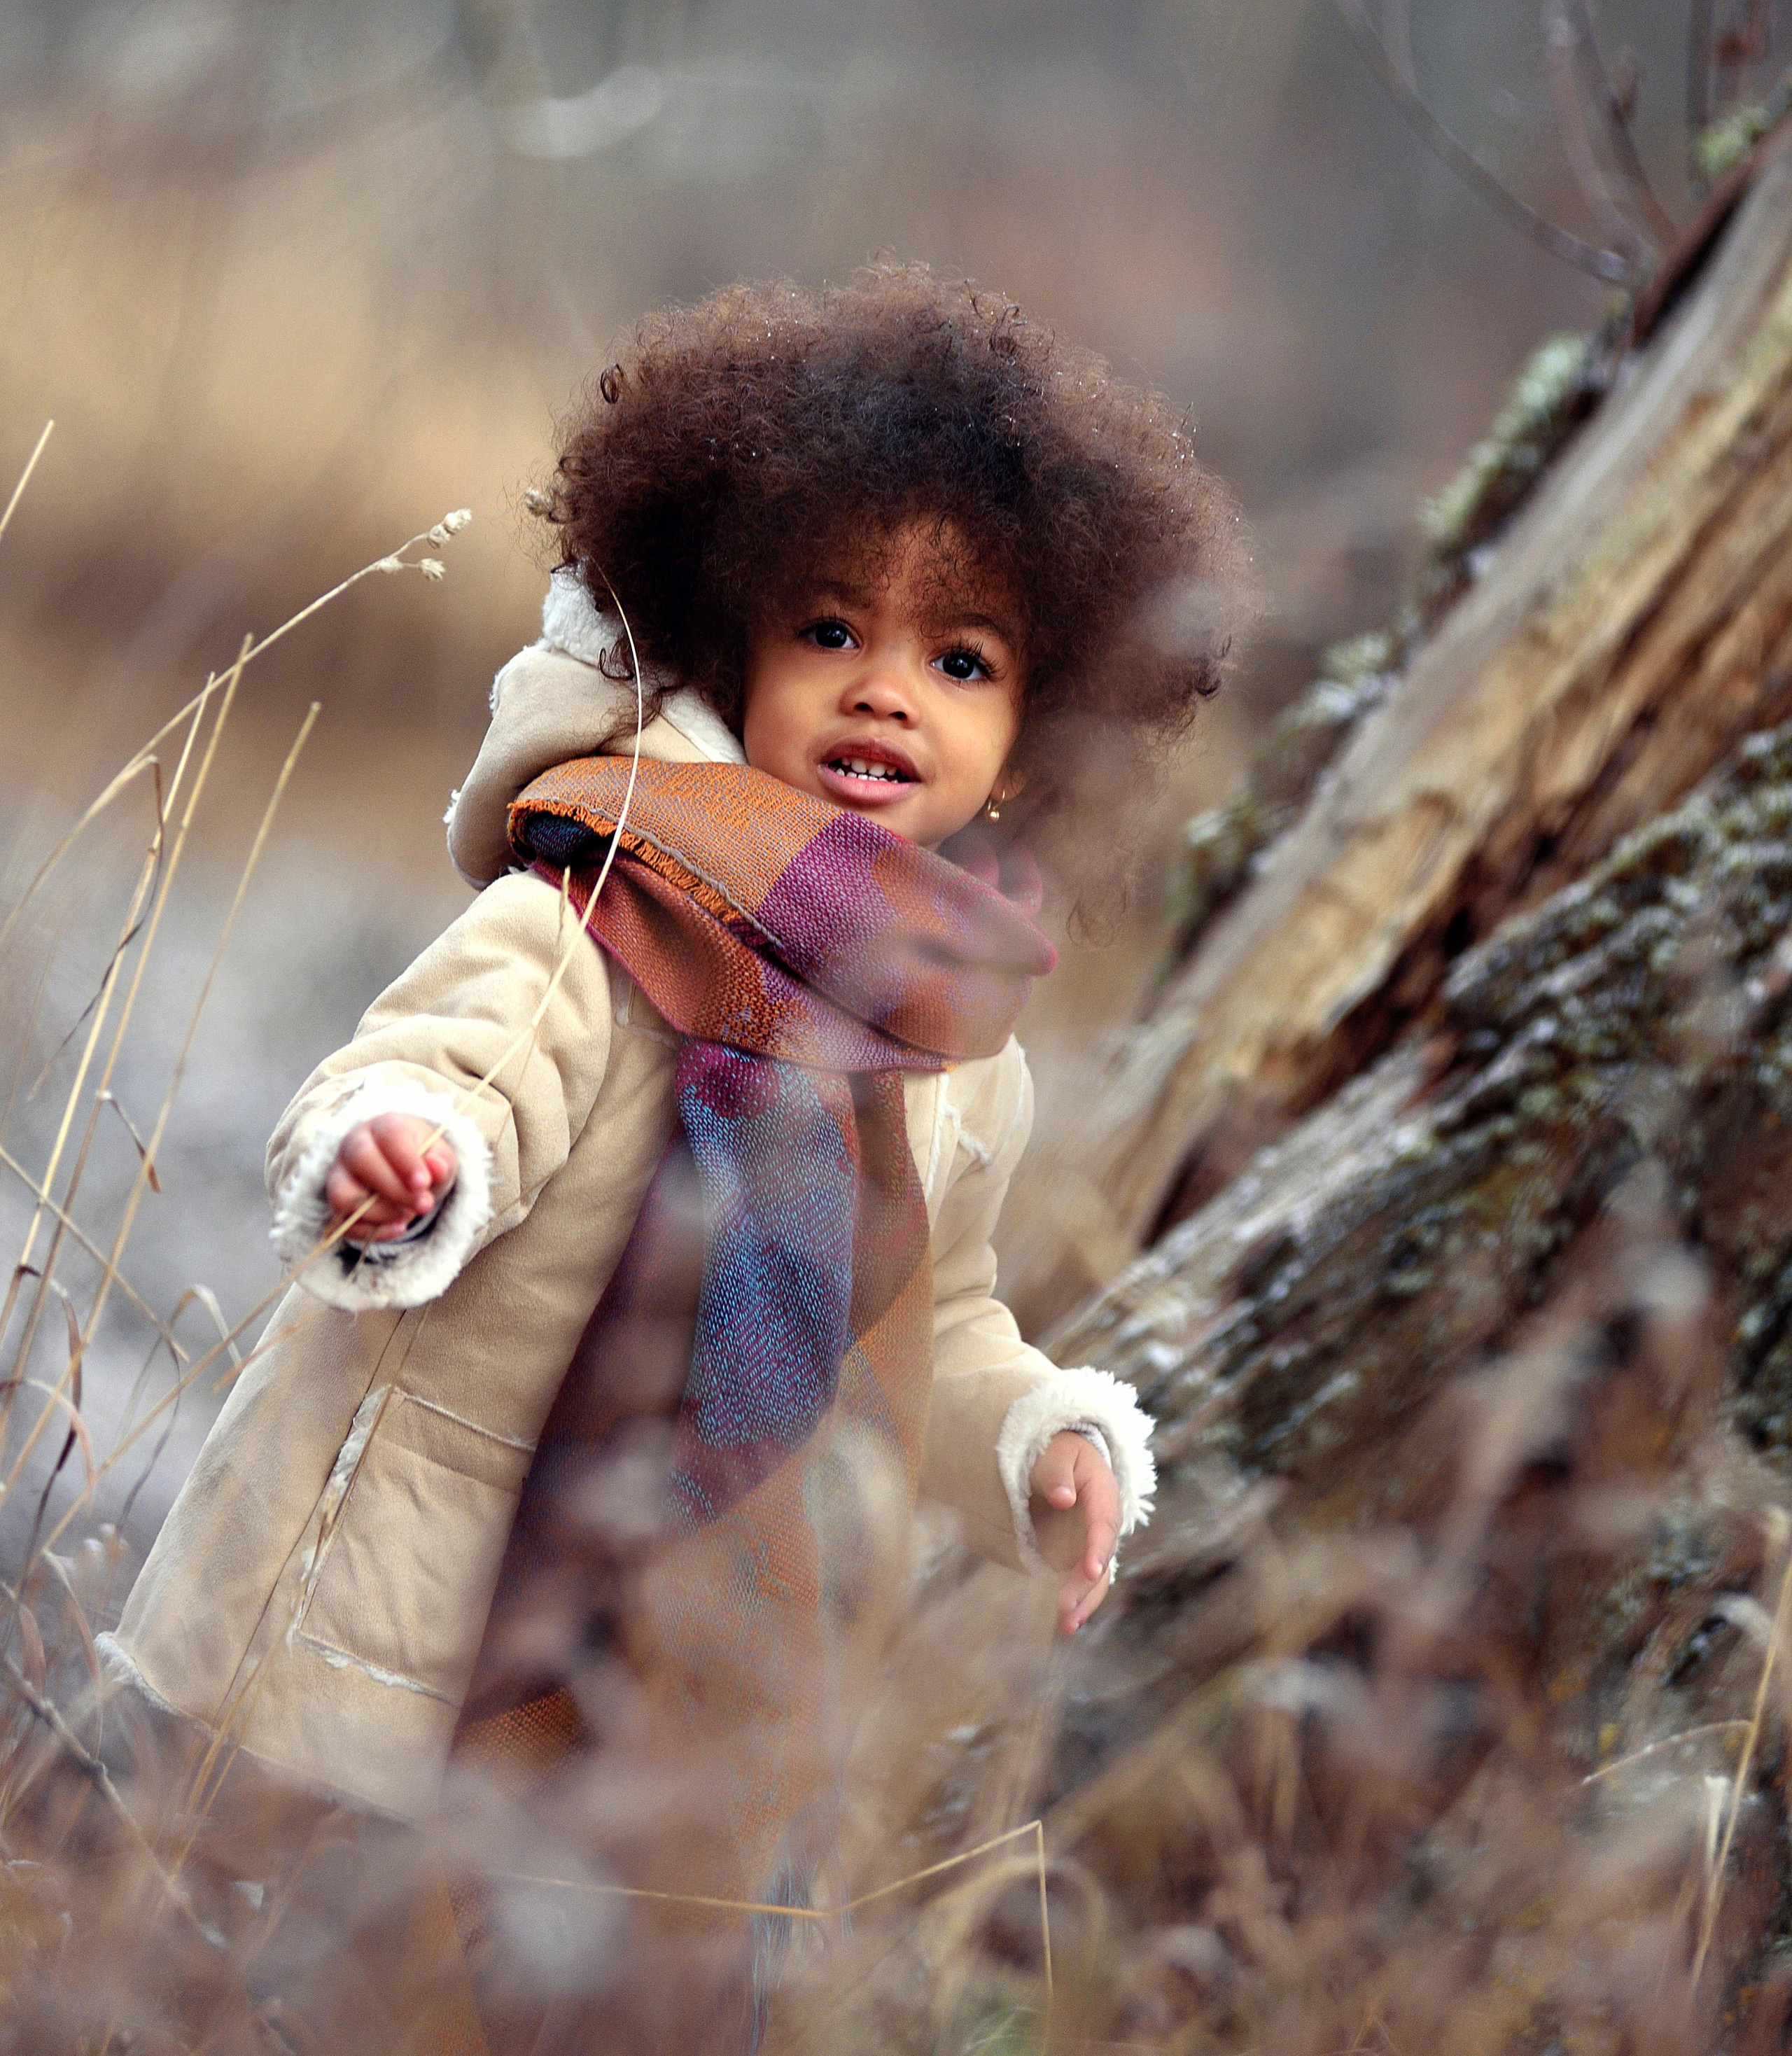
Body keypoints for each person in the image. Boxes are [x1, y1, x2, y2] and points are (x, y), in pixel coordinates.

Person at [100, 265, 1242, 2027]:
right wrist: (400, 1152)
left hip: (691, 1659)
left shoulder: (956, 1048)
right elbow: (444, 1066)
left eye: (958, 660)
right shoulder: (601, 893)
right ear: (729, 640)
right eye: (830, 632)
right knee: (337, 1988)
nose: (886, 694)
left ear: (1027, 738)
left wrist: (1035, 1445)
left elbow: (927, 1333)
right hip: (417, 1610)